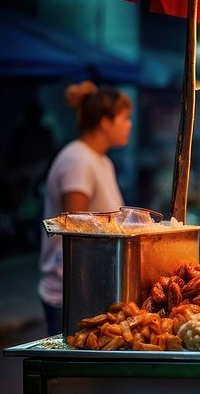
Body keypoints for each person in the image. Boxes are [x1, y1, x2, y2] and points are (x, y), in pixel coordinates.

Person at [39, 81, 133, 335]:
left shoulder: (101, 161)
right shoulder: (77, 160)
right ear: (105, 122)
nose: (129, 125)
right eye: (125, 118)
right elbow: (75, 229)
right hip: (71, 290)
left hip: (91, 285)